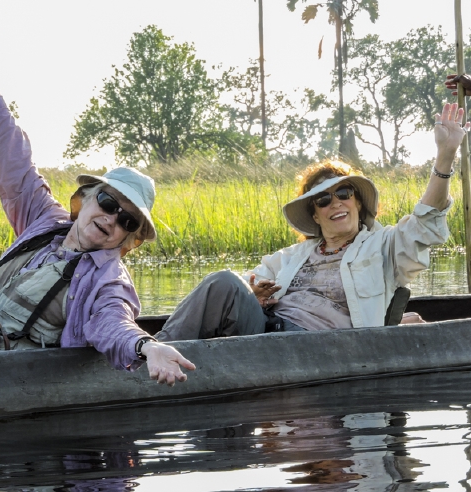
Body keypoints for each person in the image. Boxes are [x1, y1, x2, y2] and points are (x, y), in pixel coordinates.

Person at [0, 26, 194, 386]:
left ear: (128, 238)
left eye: (127, 221)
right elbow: (14, 160)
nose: (112, 219)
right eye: (108, 202)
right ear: (86, 197)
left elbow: (114, 321)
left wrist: (146, 346)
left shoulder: (107, 279)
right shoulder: (44, 221)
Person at [156, 102, 468, 342]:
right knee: (223, 281)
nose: (336, 203)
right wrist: (255, 295)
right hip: (265, 334)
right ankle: (154, 351)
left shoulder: (385, 244)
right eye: (323, 200)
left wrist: (445, 156)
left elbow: (426, 221)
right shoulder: (289, 258)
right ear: (315, 214)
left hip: (316, 346)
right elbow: (246, 286)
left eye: (343, 193)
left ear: (357, 201)